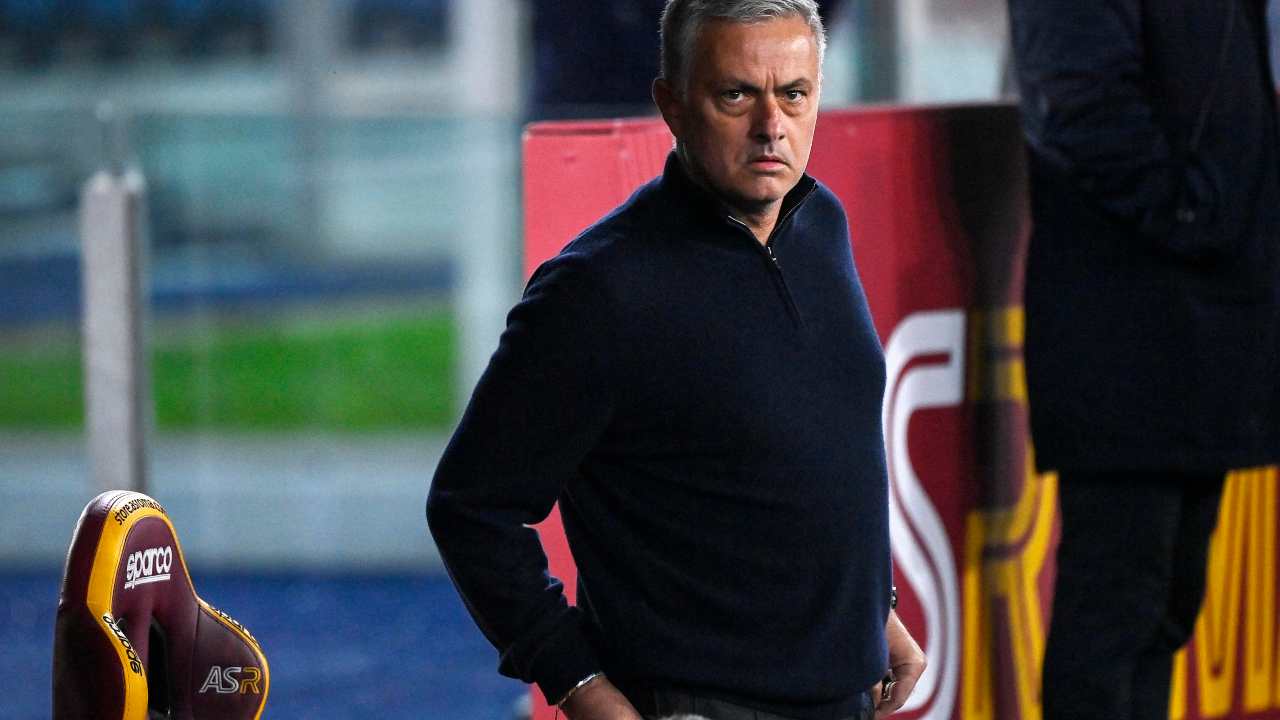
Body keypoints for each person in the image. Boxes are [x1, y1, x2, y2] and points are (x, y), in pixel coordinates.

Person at [427, 2, 925, 719]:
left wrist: (874, 611)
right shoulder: (600, 289)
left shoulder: (821, 223)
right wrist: (578, 684)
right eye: (737, 95)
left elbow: (812, 460)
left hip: (846, 695)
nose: (772, 126)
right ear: (673, 104)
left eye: (793, 94)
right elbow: (470, 506)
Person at [1008, 1, 1280, 719]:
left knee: (1167, 605)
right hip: (1122, 324)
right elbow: (1078, 101)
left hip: (1205, 318)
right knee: (1117, 609)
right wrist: (1195, 212)